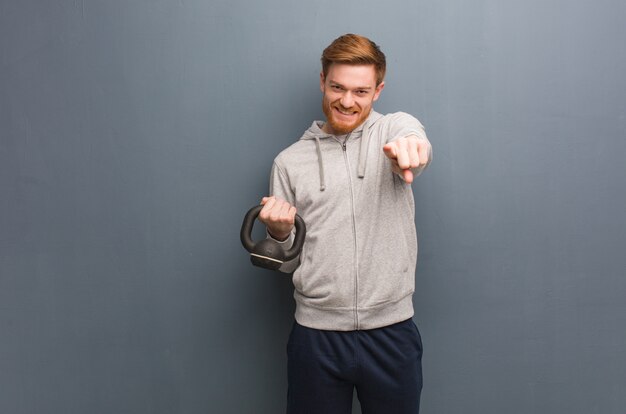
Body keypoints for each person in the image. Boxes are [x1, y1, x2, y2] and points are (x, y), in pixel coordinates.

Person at [258, 34, 432, 414]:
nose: (347, 101)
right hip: (316, 338)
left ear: (378, 90)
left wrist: (413, 150)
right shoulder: (289, 162)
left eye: (361, 91)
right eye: (337, 87)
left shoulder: (391, 132)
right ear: (323, 81)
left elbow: (413, 137)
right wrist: (278, 232)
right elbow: (285, 261)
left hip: (392, 334)